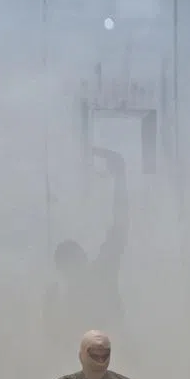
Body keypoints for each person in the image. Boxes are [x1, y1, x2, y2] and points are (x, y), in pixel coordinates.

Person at [44, 148, 129, 355]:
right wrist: (48, 312)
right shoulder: (68, 299)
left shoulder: (102, 273)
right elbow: (57, 340)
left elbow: (120, 224)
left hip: (114, 353)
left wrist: (120, 177)